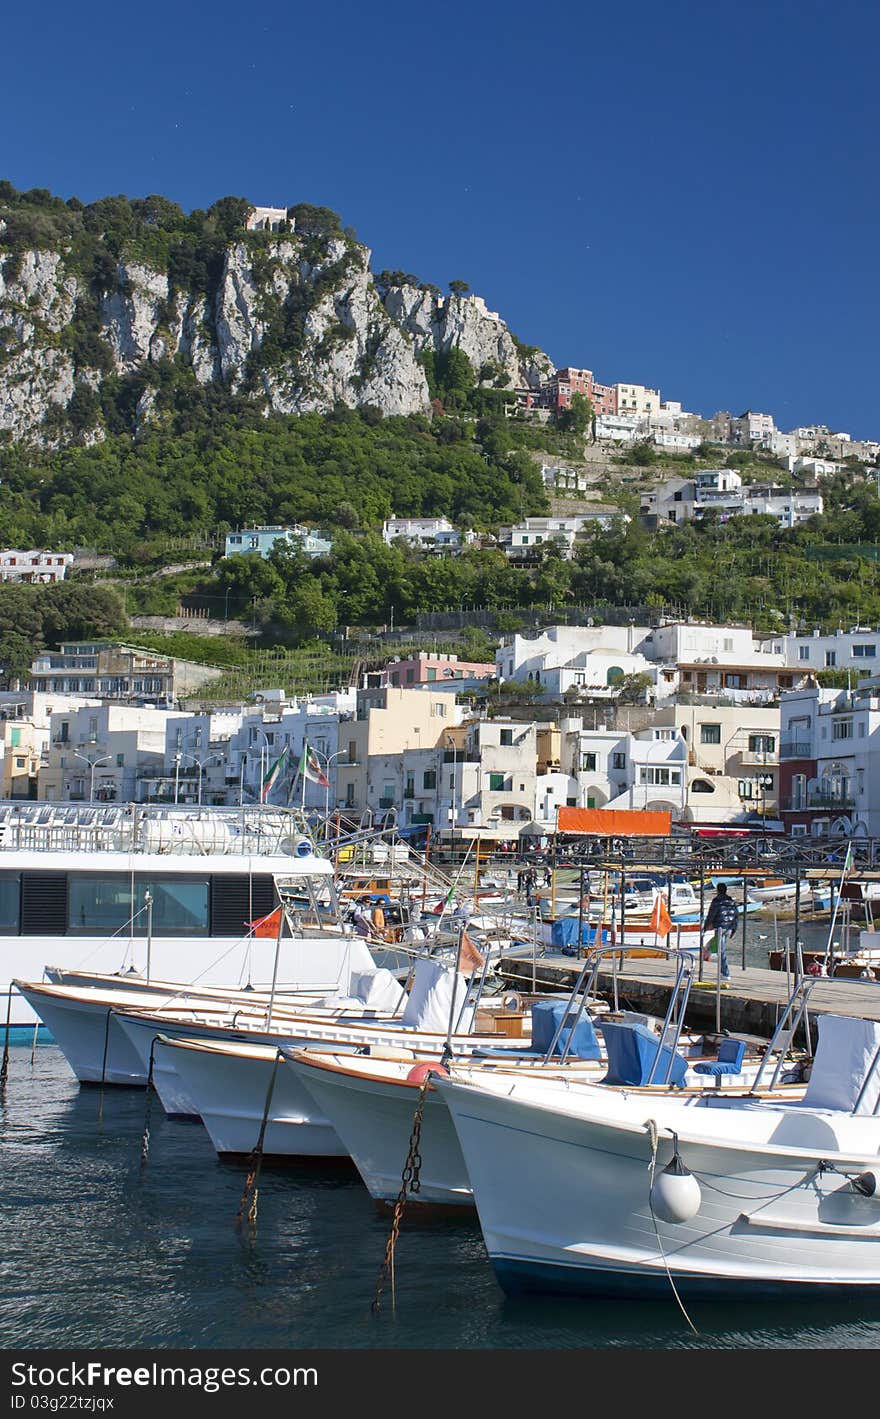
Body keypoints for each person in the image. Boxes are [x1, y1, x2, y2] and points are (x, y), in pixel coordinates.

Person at [703, 883, 739, 980]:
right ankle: (723, 971)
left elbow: (711, 915)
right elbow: (736, 916)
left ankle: (725, 973)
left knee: (721, 951)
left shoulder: (717, 901)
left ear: (718, 890)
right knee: (721, 949)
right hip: (729, 928)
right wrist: (734, 929)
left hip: (720, 928)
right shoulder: (731, 901)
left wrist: (705, 927)